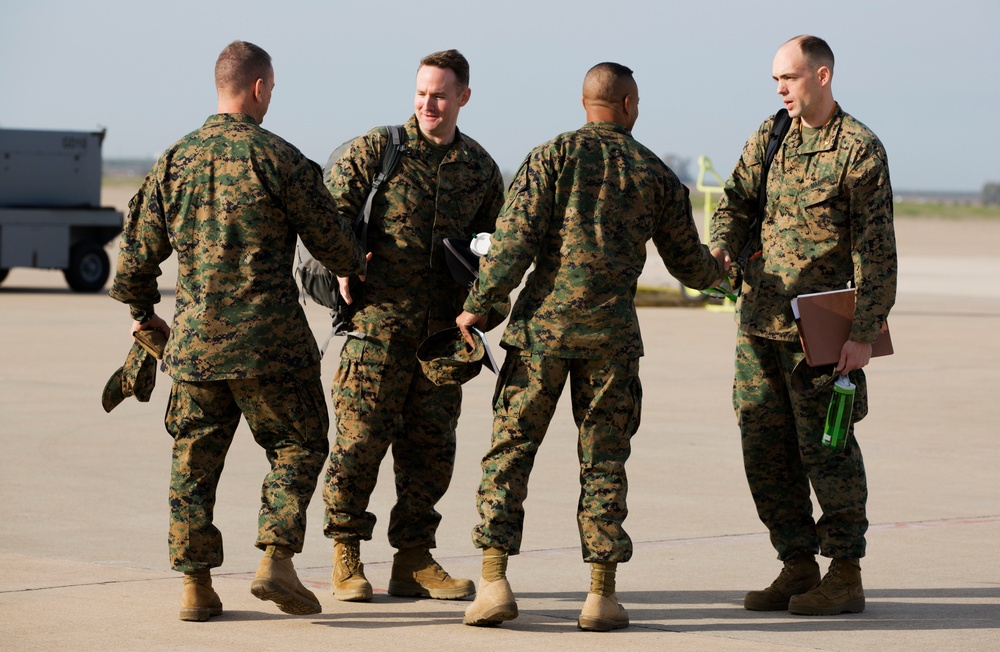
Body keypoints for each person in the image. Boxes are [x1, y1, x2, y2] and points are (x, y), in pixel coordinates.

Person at [455, 62, 726, 631]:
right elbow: (690, 266)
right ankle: (601, 595)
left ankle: (495, 582)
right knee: (604, 462)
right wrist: (722, 268)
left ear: (585, 102)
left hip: (540, 337)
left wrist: (480, 303)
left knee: (510, 454)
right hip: (611, 342)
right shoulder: (653, 171)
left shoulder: (549, 158)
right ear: (628, 103)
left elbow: (513, 244)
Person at [109, 40, 366, 622]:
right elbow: (334, 243)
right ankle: (276, 558)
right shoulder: (279, 158)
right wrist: (355, 261)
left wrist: (146, 314)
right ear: (258, 88)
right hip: (271, 346)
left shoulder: (173, 161)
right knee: (298, 445)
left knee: (193, 464)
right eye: (271, 88)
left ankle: (196, 586)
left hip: (195, 349)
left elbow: (133, 265)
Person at [709, 35, 896, 615]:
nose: (781, 89)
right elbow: (736, 200)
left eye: (788, 78)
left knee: (830, 450)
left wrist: (863, 332)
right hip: (759, 322)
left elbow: (876, 249)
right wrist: (721, 245)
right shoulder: (770, 136)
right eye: (775, 81)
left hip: (821, 329)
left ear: (821, 76)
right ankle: (796, 564)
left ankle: (844, 573)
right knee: (763, 449)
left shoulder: (859, 149)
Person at [321, 49, 505, 602]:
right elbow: (325, 215)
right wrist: (345, 261)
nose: (429, 103)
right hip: (376, 333)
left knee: (430, 452)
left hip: (440, 341)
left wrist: (484, 304)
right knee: (356, 447)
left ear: (463, 98)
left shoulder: (480, 169)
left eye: (441, 94)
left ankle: (414, 559)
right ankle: (345, 555)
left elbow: (498, 248)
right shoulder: (378, 150)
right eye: (423, 92)